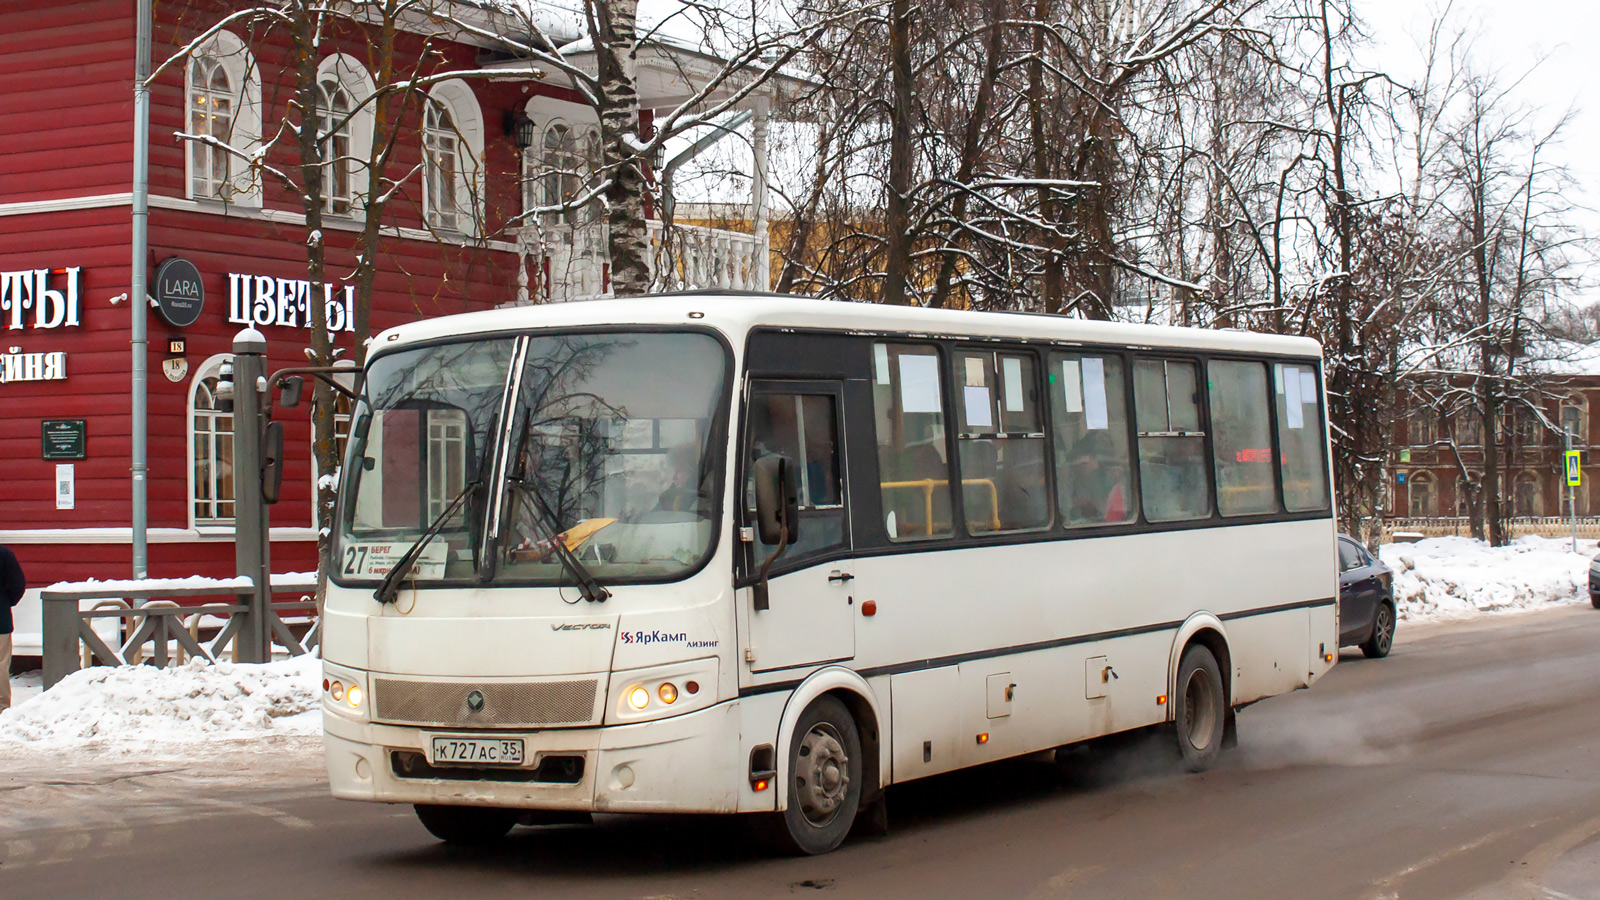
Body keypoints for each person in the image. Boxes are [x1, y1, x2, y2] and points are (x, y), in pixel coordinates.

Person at [0, 544, 26, 712]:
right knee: (1, 664)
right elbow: (18, 584)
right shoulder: (4, 554)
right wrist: (6, 601)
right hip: (0, 618)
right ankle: (1, 707)